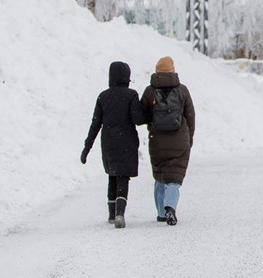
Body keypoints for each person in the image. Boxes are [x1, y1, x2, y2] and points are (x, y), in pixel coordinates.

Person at [81, 61, 145, 229]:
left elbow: (95, 124)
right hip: (127, 141)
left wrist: (87, 148)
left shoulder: (103, 96)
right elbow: (138, 119)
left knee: (112, 174)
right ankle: (120, 214)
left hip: (108, 142)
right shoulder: (131, 95)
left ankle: (111, 214)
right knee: (123, 176)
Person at [139, 56, 195, 226]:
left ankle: (161, 213)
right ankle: (170, 207)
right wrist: (189, 138)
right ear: (173, 71)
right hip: (179, 141)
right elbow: (190, 117)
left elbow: (141, 117)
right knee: (174, 178)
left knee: (160, 176)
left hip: (157, 141)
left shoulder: (150, 91)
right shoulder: (182, 90)